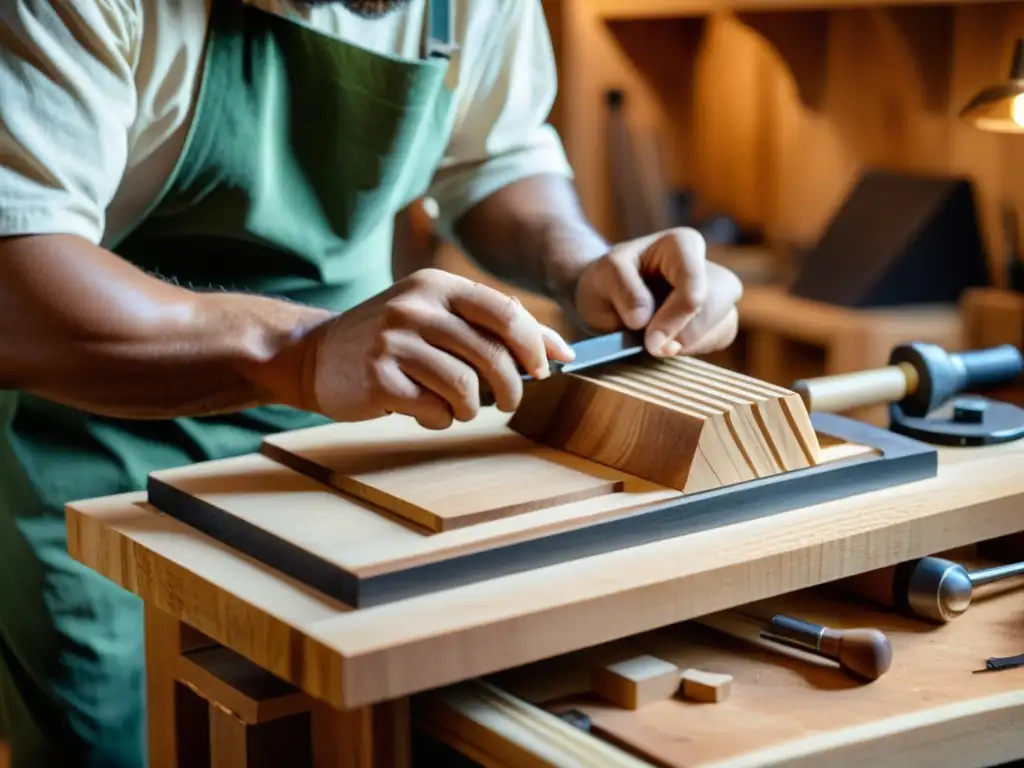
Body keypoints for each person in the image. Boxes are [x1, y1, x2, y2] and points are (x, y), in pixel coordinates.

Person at [0, 0, 742, 764]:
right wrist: (303, 350)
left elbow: (492, 159)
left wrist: (580, 264)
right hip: (91, 449)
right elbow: (14, 290)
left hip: (344, 456)